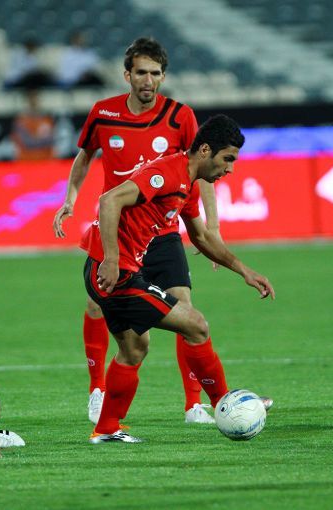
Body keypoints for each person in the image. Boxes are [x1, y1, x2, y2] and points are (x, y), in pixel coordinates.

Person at [53, 37, 224, 425]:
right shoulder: (103, 113)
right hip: (119, 231)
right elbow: (85, 156)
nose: (149, 80)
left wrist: (211, 226)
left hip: (163, 231)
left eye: (156, 73)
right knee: (97, 305)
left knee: (186, 310)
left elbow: (203, 171)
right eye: (141, 72)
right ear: (127, 74)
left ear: (163, 76)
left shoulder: (181, 117)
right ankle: (97, 389)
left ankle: (193, 404)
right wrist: (70, 199)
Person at [81, 114, 274, 443]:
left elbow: (201, 237)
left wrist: (244, 270)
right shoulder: (167, 173)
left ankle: (107, 429)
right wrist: (111, 259)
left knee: (134, 349)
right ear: (205, 151)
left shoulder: (189, 185)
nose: (230, 169)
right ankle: (226, 404)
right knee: (196, 325)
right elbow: (109, 199)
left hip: (112, 271)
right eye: (227, 159)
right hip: (116, 274)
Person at [11, 88, 56, 161]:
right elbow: (26, 142)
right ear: (27, 100)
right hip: (27, 161)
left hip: (46, 160)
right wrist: (40, 139)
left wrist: (35, 138)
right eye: (31, 98)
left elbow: (51, 140)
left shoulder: (47, 119)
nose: (34, 101)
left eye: (35, 97)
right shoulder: (21, 120)